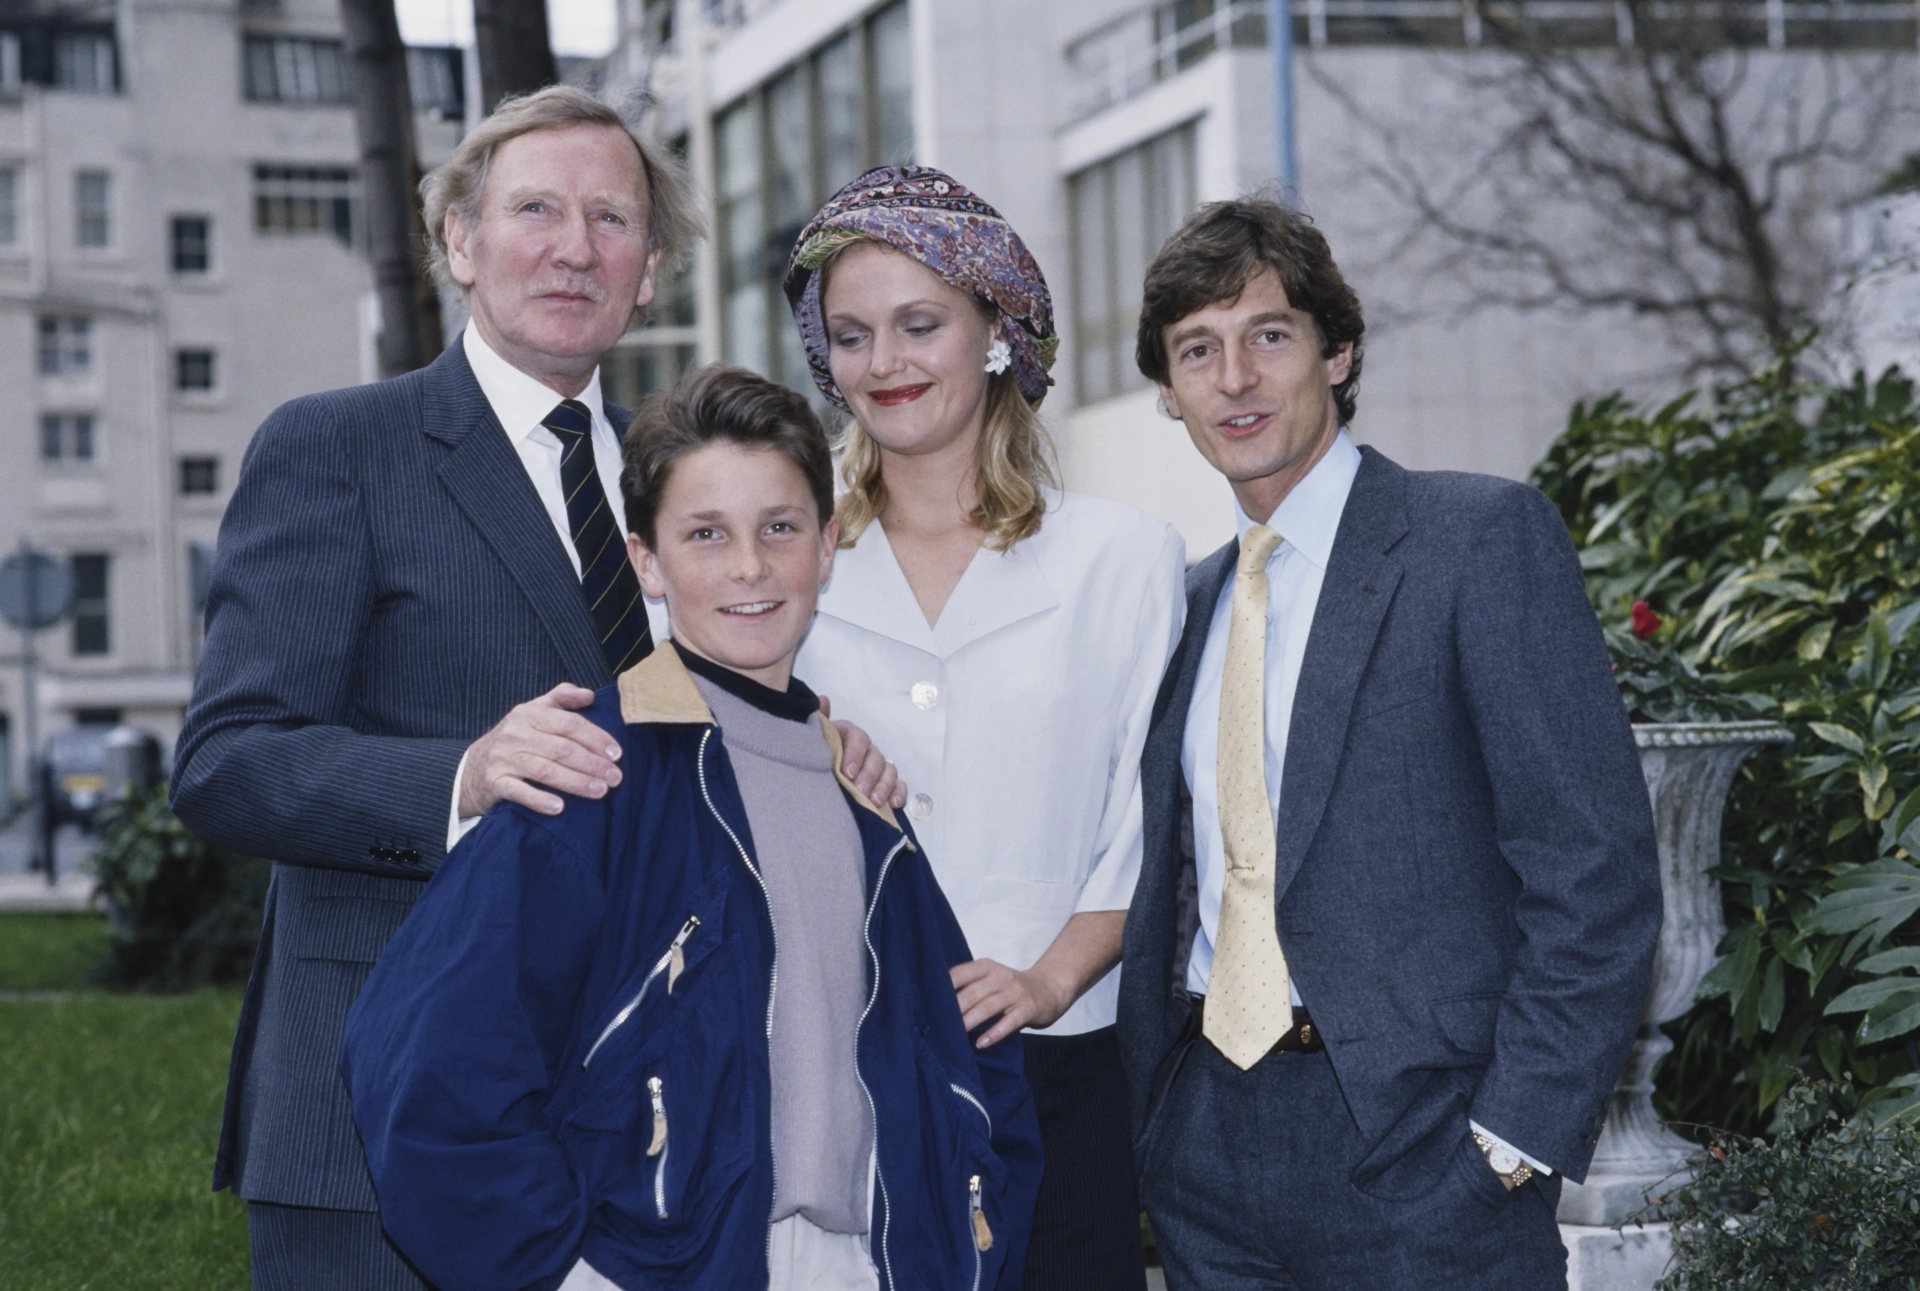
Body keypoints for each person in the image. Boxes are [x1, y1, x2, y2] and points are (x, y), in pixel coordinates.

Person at [170, 86, 899, 1291]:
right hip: (375, 1125)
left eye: (611, 219)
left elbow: (707, 726)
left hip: (642, 1138)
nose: (574, 246)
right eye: (534, 210)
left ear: (651, 268)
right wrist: (459, 774)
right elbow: (226, 761)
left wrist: (821, 752)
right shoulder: (337, 447)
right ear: (459, 241)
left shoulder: (682, 487)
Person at [342, 363, 1044, 1291]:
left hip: (868, 1265)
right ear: (646, 562)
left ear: (827, 547)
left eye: (780, 528)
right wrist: (560, 1276)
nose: (749, 567)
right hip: (666, 1266)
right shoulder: (594, 772)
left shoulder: (866, 799)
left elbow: (970, 1071)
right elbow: (427, 1067)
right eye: (705, 534)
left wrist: (971, 1251)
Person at [1114, 195, 1663, 1289]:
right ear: (1169, 396)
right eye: (1197, 351)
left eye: (1268, 335)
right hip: (1206, 1148)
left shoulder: (1476, 540)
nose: (1236, 377)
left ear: (1339, 349)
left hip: (1427, 1152)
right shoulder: (1184, 605)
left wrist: (1512, 1139)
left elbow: (1594, 869)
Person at [783, 166, 1186, 1291]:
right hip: (840, 1066)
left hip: (1062, 1066)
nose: (887, 363)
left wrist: (1053, 977)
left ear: (998, 331)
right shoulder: (792, 563)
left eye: (921, 324)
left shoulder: (1125, 558)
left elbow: (1150, 814)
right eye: (853, 335)